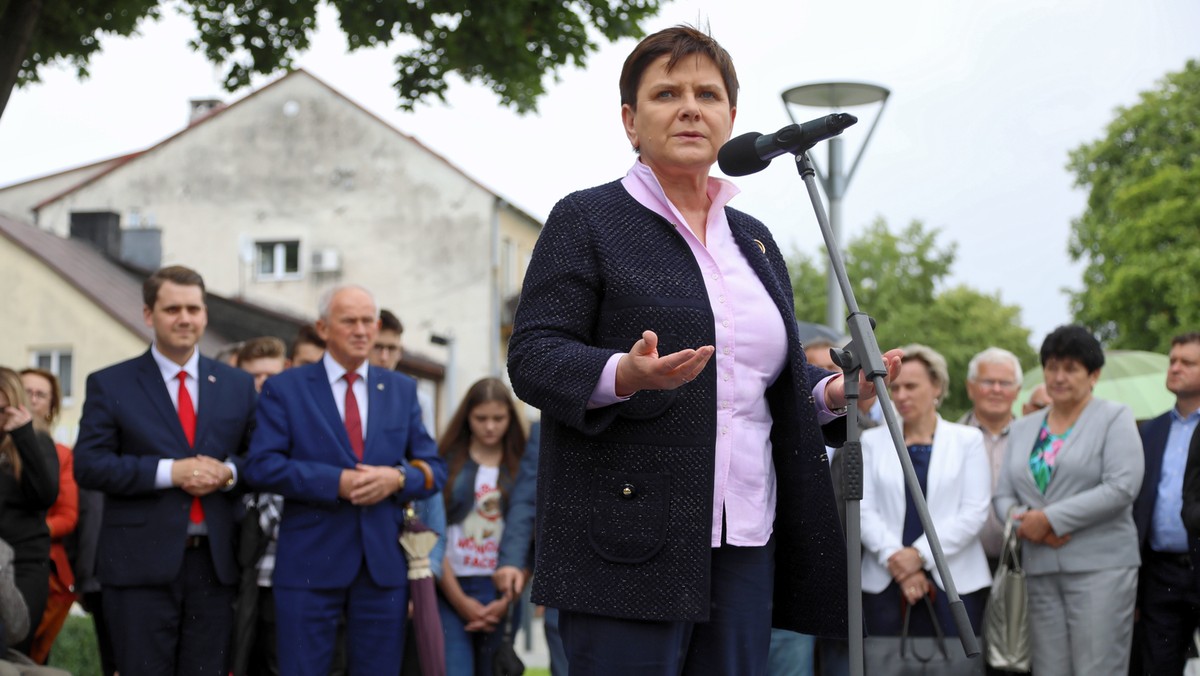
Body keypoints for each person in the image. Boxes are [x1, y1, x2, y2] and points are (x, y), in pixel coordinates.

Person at [506, 25, 900, 674]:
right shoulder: (587, 219)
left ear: (731, 118)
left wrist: (830, 391)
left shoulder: (756, 241)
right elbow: (534, 356)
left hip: (747, 533)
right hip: (626, 539)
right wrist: (622, 373)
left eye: (707, 94)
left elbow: (757, 374)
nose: (690, 106)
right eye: (667, 93)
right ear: (631, 121)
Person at [243, 284, 447, 676]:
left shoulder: (402, 390)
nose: (361, 330)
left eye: (368, 320)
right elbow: (261, 466)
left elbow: (434, 469)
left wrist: (397, 477)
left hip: (382, 565)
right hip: (309, 562)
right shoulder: (286, 388)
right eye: (348, 320)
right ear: (323, 327)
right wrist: (333, 482)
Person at [72, 265, 258, 676]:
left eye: (193, 308)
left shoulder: (236, 385)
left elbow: (258, 460)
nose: (185, 318)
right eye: (172, 308)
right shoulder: (111, 383)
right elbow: (89, 465)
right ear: (148, 314)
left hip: (214, 565)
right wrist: (169, 472)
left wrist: (227, 474)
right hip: (139, 568)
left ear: (206, 314)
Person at [993, 324, 1144, 676]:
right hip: (1040, 566)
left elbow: (1122, 487)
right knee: (1049, 669)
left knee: (1098, 668)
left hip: (1100, 569)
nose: (1059, 377)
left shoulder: (1114, 417)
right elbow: (1003, 495)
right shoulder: (1023, 427)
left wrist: (1049, 519)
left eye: (1071, 368)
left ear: (1093, 375)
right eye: (1052, 367)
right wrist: (1027, 523)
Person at [860, 345, 991, 639]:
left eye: (912, 386)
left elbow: (974, 511)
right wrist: (897, 560)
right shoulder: (871, 441)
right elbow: (863, 510)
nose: (902, 395)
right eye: (897, 387)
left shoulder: (968, 440)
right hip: (885, 578)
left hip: (956, 582)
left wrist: (918, 556)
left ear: (937, 387)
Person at [368, 308, 448, 676]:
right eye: (378, 346)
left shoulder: (412, 396)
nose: (384, 356)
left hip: (407, 528)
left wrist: (425, 569)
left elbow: (430, 473)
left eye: (392, 348)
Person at [436, 377, 533, 675]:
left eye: (498, 418)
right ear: (467, 417)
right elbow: (432, 532)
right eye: (481, 418)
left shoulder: (523, 465)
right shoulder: (447, 463)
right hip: (452, 584)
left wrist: (507, 600)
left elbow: (530, 537)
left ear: (510, 419)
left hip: (501, 590)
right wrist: (459, 599)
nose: (490, 426)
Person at [1132, 331, 1200, 674]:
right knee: (1157, 666)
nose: (1175, 368)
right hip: (1160, 572)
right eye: (1172, 360)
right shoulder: (1150, 431)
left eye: (1187, 362)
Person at [17, 370, 78, 665]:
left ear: (52, 406)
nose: (32, 400)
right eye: (25, 391)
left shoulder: (61, 455)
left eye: (41, 395)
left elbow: (67, 515)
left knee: (27, 655)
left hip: (36, 563)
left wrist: (23, 530)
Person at [0, 368, 59, 658]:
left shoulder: (34, 440)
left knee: (12, 651)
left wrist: (21, 435)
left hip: (23, 566)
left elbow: (45, 496)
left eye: (2, 410)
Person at [958, 347, 1023, 571]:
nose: (996, 390)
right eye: (987, 382)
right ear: (970, 388)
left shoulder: (1034, 441)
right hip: (962, 564)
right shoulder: (951, 439)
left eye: (1005, 383)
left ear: (1017, 391)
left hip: (1022, 563)